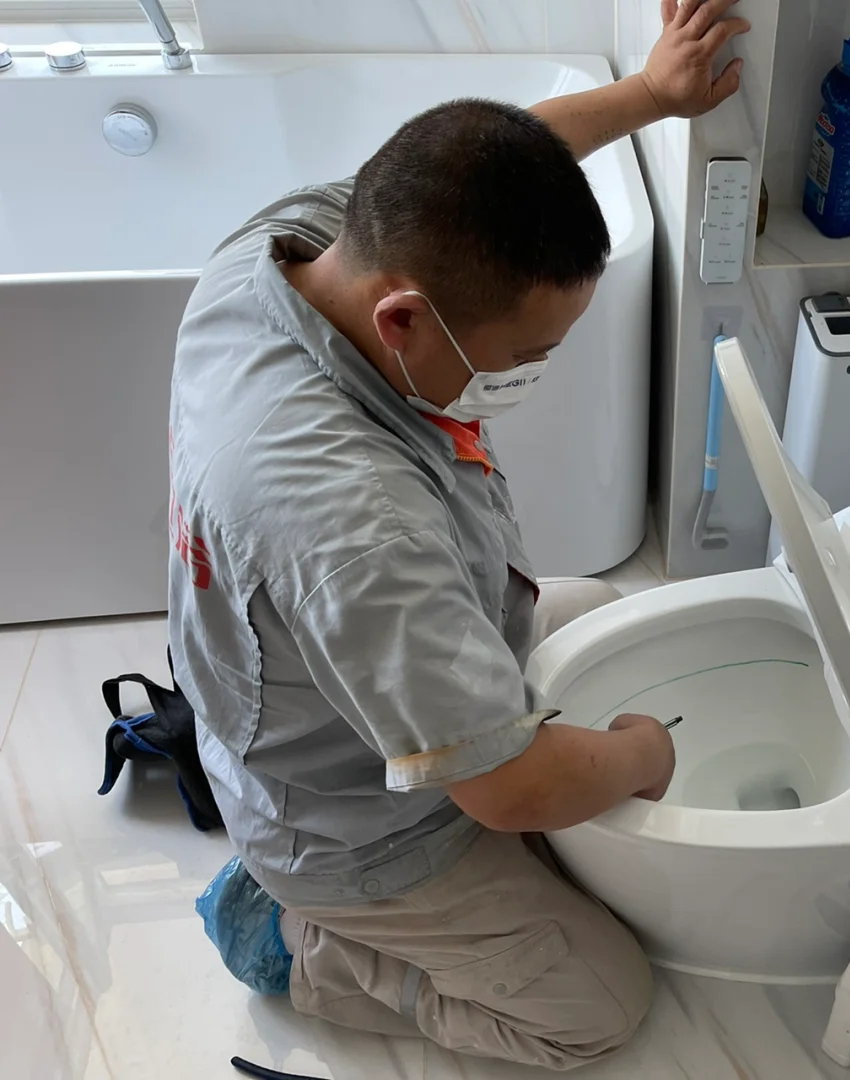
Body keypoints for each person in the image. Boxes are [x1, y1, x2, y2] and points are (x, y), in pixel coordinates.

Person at [170, 2, 749, 1070]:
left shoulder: (281, 254)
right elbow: (506, 789)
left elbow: (481, 170)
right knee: (598, 1005)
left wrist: (650, 96)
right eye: (524, 353)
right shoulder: (357, 527)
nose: (527, 374)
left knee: (594, 611)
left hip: (296, 698)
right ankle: (293, 942)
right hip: (353, 829)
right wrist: (642, 753)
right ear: (402, 319)